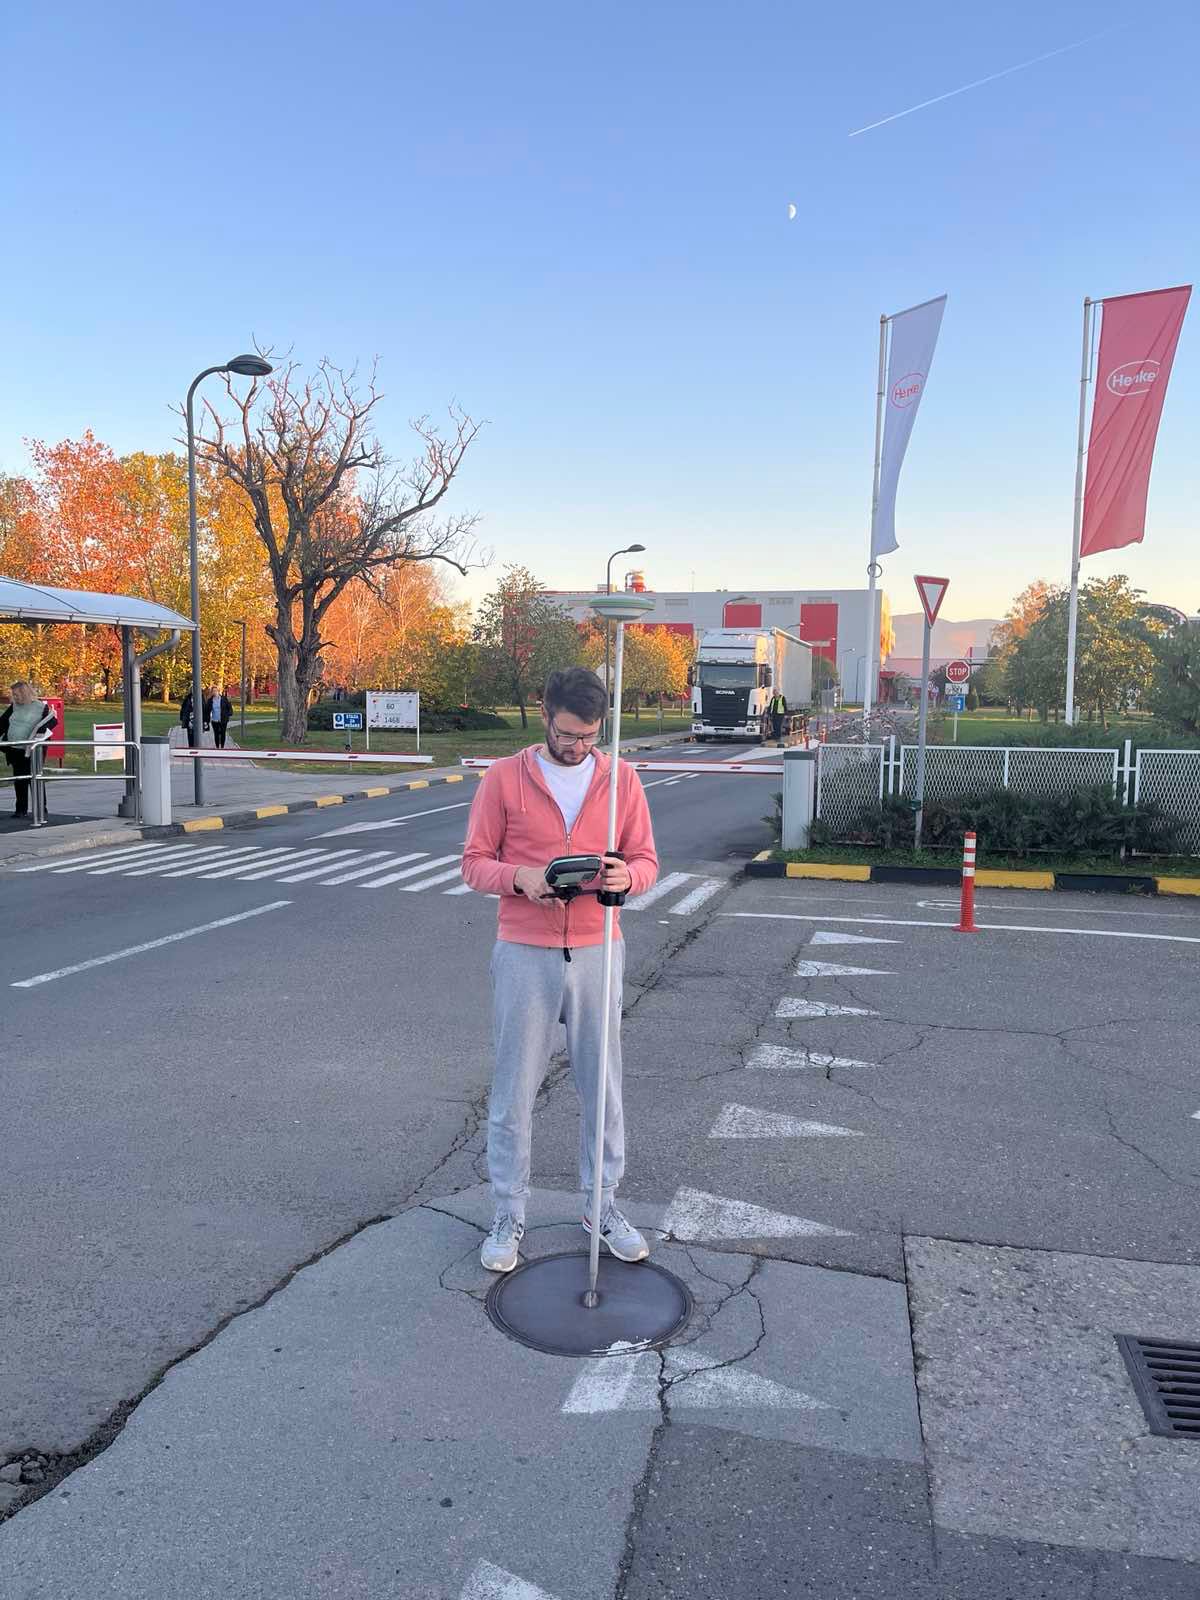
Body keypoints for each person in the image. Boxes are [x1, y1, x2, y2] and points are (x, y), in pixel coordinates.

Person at [461, 666, 659, 1273]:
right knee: (514, 1089)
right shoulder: (504, 777)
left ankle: (602, 1205)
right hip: (525, 949)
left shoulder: (620, 778)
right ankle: (508, 1213)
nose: (578, 746)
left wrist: (628, 877)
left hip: (599, 946)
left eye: (589, 736)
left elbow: (647, 860)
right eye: (568, 734)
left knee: (602, 1087)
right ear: (544, 715)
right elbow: (473, 863)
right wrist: (520, 878)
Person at [0, 681, 58, 819]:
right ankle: (21, 809)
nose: (14, 697)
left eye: (17, 694)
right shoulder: (14, 706)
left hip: (33, 750)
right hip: (15, 749)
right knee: (19, 779)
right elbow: (2, 723)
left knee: (35, 778)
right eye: (13, 695)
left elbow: (52, 721)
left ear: (25, 693)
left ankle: (41, 809)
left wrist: (40, 732)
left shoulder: (40, 707)